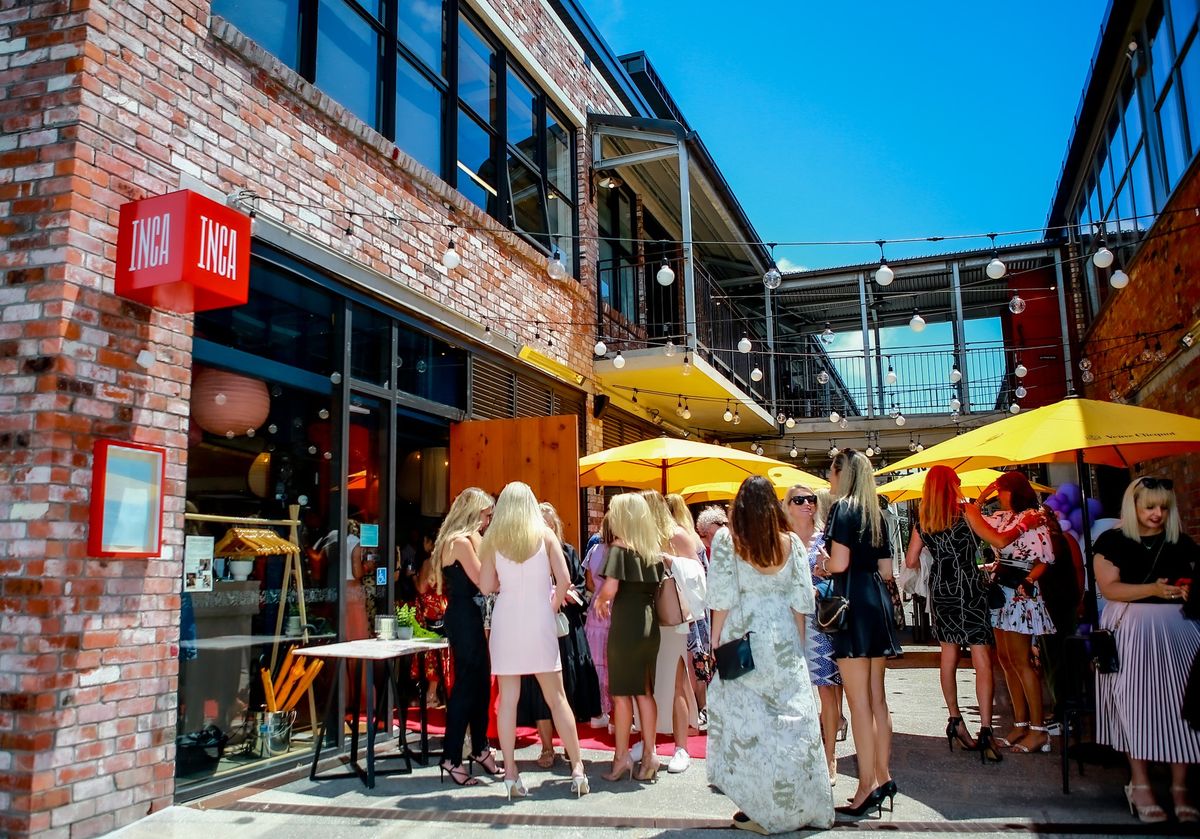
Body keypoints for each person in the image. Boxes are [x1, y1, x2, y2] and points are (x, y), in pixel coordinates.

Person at [708, 476, 835, 834]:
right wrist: (797, 645)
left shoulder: (727, 540)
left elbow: (721, 598)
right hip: (781, 638)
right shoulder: (792, 542)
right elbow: (800, 600)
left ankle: (760, 805)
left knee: (747, 724)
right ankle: (795, 804)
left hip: (743, 638)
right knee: (790, 725)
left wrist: (716, 642)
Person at [1094, 476, 1199, 824]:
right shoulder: (1112, 541)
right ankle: (1139, 783)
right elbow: (1111, 589)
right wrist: (1152, 588)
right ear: (1133, 506)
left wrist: (1187, 592)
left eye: (1163, 508)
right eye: (1149, 506)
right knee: (1135, 706)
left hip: (1179, 631)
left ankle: (1180, 786)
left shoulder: (1182, 543)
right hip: (1133, 631)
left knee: (1183, 708)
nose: (1157, 513)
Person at [478, 483, 589, 799]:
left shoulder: (494, 539)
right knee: (557, 697)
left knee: (508, 700)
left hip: (507, 619)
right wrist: (551, 606)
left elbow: (486, 586)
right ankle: (578, 767)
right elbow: (565, 579)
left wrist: (504, 577)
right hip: (539, 617)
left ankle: (511, 772)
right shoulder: (544, 533)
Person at [904, 466, 1000, 763]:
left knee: (948, 657)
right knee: (981, 658)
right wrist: (1022, 527)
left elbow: (910, 560)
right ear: (952, 485)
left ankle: (956, 719)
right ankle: (986, 729)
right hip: (969, 588)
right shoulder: (967, 511)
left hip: (943, 590)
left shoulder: (925, 520)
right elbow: (999, 540)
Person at [825, 449, 901, 818]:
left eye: (831, 470)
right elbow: (887, 570)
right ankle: (883, 777)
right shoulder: (877, 515)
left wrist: (822, 564)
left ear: (843, 473)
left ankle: (866, 786)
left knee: (858, 704)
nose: (828, 476)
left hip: (852, 602)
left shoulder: (843, 509)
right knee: (877, 699)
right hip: (876, 602)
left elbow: (839, 563)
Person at [967, 471, 1055, 755]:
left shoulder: (1032, 518)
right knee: (1005, 659)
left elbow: (1044, 558)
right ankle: (1020, 722)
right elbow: (976, 523)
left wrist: (1029, 580)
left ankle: (1038, 729)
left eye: (1001, 490)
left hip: (1019, 590)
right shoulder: (1005, 517)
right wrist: (981, 497)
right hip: (1002, 589)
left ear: (1014, 491)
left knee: (1021, 660)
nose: (999, 495)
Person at [516, 503, 601, 768]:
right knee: (537, 689)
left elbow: (578, 586)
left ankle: (568, 744)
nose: (545, 530)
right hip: (537, 628)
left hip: (566, 628)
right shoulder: (525, 554)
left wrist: (564, 595)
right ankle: (545, 747)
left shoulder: (568, 551)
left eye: (549, 525)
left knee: (569, 689)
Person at [591, 493, 664, 783]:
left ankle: (621, 757)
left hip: (627, 624)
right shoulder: (652, 550)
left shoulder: (619, 549)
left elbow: (609, 589)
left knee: (621, 695)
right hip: (648, 622)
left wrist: (600, 602)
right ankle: (650, 754)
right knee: (645, 692)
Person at [432, 487, 501, 787]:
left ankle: (480, 748)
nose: (488, 521)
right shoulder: (461, 542)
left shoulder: (455, 540)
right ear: (474, 514)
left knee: (478, 683)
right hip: (465, 616)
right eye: (486, 515)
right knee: (466, 686)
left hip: (464, 615)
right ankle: (452, 758)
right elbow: (484, 582)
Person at [639, 489, 703, 775]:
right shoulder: (641, 537)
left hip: (673, 618)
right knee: (650, 682)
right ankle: (648, 741)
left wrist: (668, 559)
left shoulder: (676, 534)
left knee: (676, 681)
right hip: (648, 617)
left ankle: (681, 747)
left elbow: (698, 575)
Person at [785, 483, 844, 782]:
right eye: (799, 500)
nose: (807, 504)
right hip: (787, 623)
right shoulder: (781, 541)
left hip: (818, 623)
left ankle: (829, 755)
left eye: (810, 499)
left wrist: (826, 572)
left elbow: (840, 573)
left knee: (825, 689)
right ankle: (799, 753)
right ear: (788, 505)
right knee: (793, 692)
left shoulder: (824, 539)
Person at [667, 493, 713, 731]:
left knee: (692, 659)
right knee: (696, 658)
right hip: (696, 607)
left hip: (688, 608)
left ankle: (700, 707)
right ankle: (700, 707)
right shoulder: (691, 536)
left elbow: (696, 573)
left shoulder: (679, 537)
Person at [583, 514, 615, 729]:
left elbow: (588, 583)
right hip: (614, 606)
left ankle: (597, 711)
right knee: (613, 663)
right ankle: (615, 715)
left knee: (596, 662)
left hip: (596, 608)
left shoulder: (594, 550)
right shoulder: (620, 552)